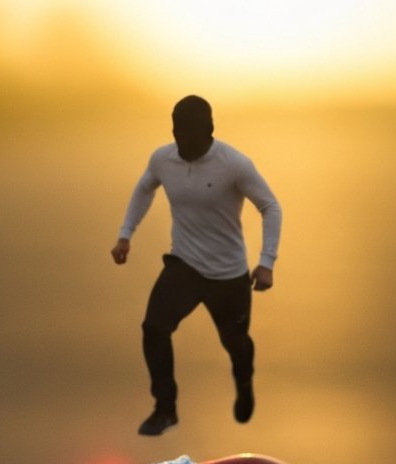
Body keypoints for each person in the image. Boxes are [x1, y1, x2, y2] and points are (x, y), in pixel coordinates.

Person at [112, 95, 282, 435]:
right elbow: (145, 188)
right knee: (154, 328)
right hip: (184, 267)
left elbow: (270, 206)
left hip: (228, 276)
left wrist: (266, 263)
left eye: (189, 135)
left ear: (209, 131)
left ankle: (244, 381)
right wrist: (125, 235)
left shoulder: (234, 164)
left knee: (236, 343)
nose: (182, 142)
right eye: (177, 133)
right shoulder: (164, 158)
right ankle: (165, 408)